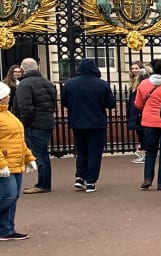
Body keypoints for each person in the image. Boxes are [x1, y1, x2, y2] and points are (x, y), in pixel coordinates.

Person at [61, 58, 115, 192]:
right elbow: (111, 104)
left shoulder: (69, 84)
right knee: (95, 153)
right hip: (97, 123)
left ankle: (80, 176)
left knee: (82, 151)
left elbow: (64, 102)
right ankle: (91, 181)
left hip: (77, 122)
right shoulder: (102, 84)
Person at [13, 58, 57, 194]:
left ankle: (43, 184)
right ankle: (44, 183)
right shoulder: (47, 81)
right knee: (42, 153)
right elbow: (54, 102)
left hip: (35, 124)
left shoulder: (24, 84)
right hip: (47, 121)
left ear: (22, 69)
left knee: (40, 155)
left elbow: (25, 108)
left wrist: (23, 124)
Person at [0, 81, 37, 241]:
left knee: (13, 196)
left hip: (15, 161)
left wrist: (28, 157)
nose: (9, 97)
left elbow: (19, 140)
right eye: (6, 95)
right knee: (8, 195)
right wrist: (1, 164)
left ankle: (6, 229)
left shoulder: (8, 114)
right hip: (5, 163)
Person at [132, 58, 161, 191]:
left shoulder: (144, 84)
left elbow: (138, 104)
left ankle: (148, 178)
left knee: (150, 151)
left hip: (148, 121)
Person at [127, 61, 147, 163]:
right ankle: (143, 153)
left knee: (142, 133)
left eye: (136, 68)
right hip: (136, 110)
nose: (134, 70)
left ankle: (144, 155)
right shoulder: (134, 80)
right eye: (133, 68)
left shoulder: (142, 80)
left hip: (139, 111)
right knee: (140, 133)